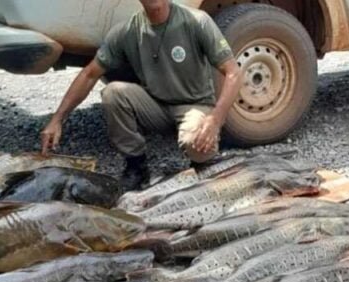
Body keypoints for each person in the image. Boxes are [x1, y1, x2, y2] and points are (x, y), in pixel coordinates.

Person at [40, 0, 242, 190]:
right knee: (113, 93)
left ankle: (202, 165)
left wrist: (216, 120)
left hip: (195, 105)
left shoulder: (197, 21)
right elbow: (89, 74)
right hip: (155, 105)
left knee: (197, 146)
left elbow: (233, 72)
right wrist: (57, 118)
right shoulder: (127, 31)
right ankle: (136, 165)